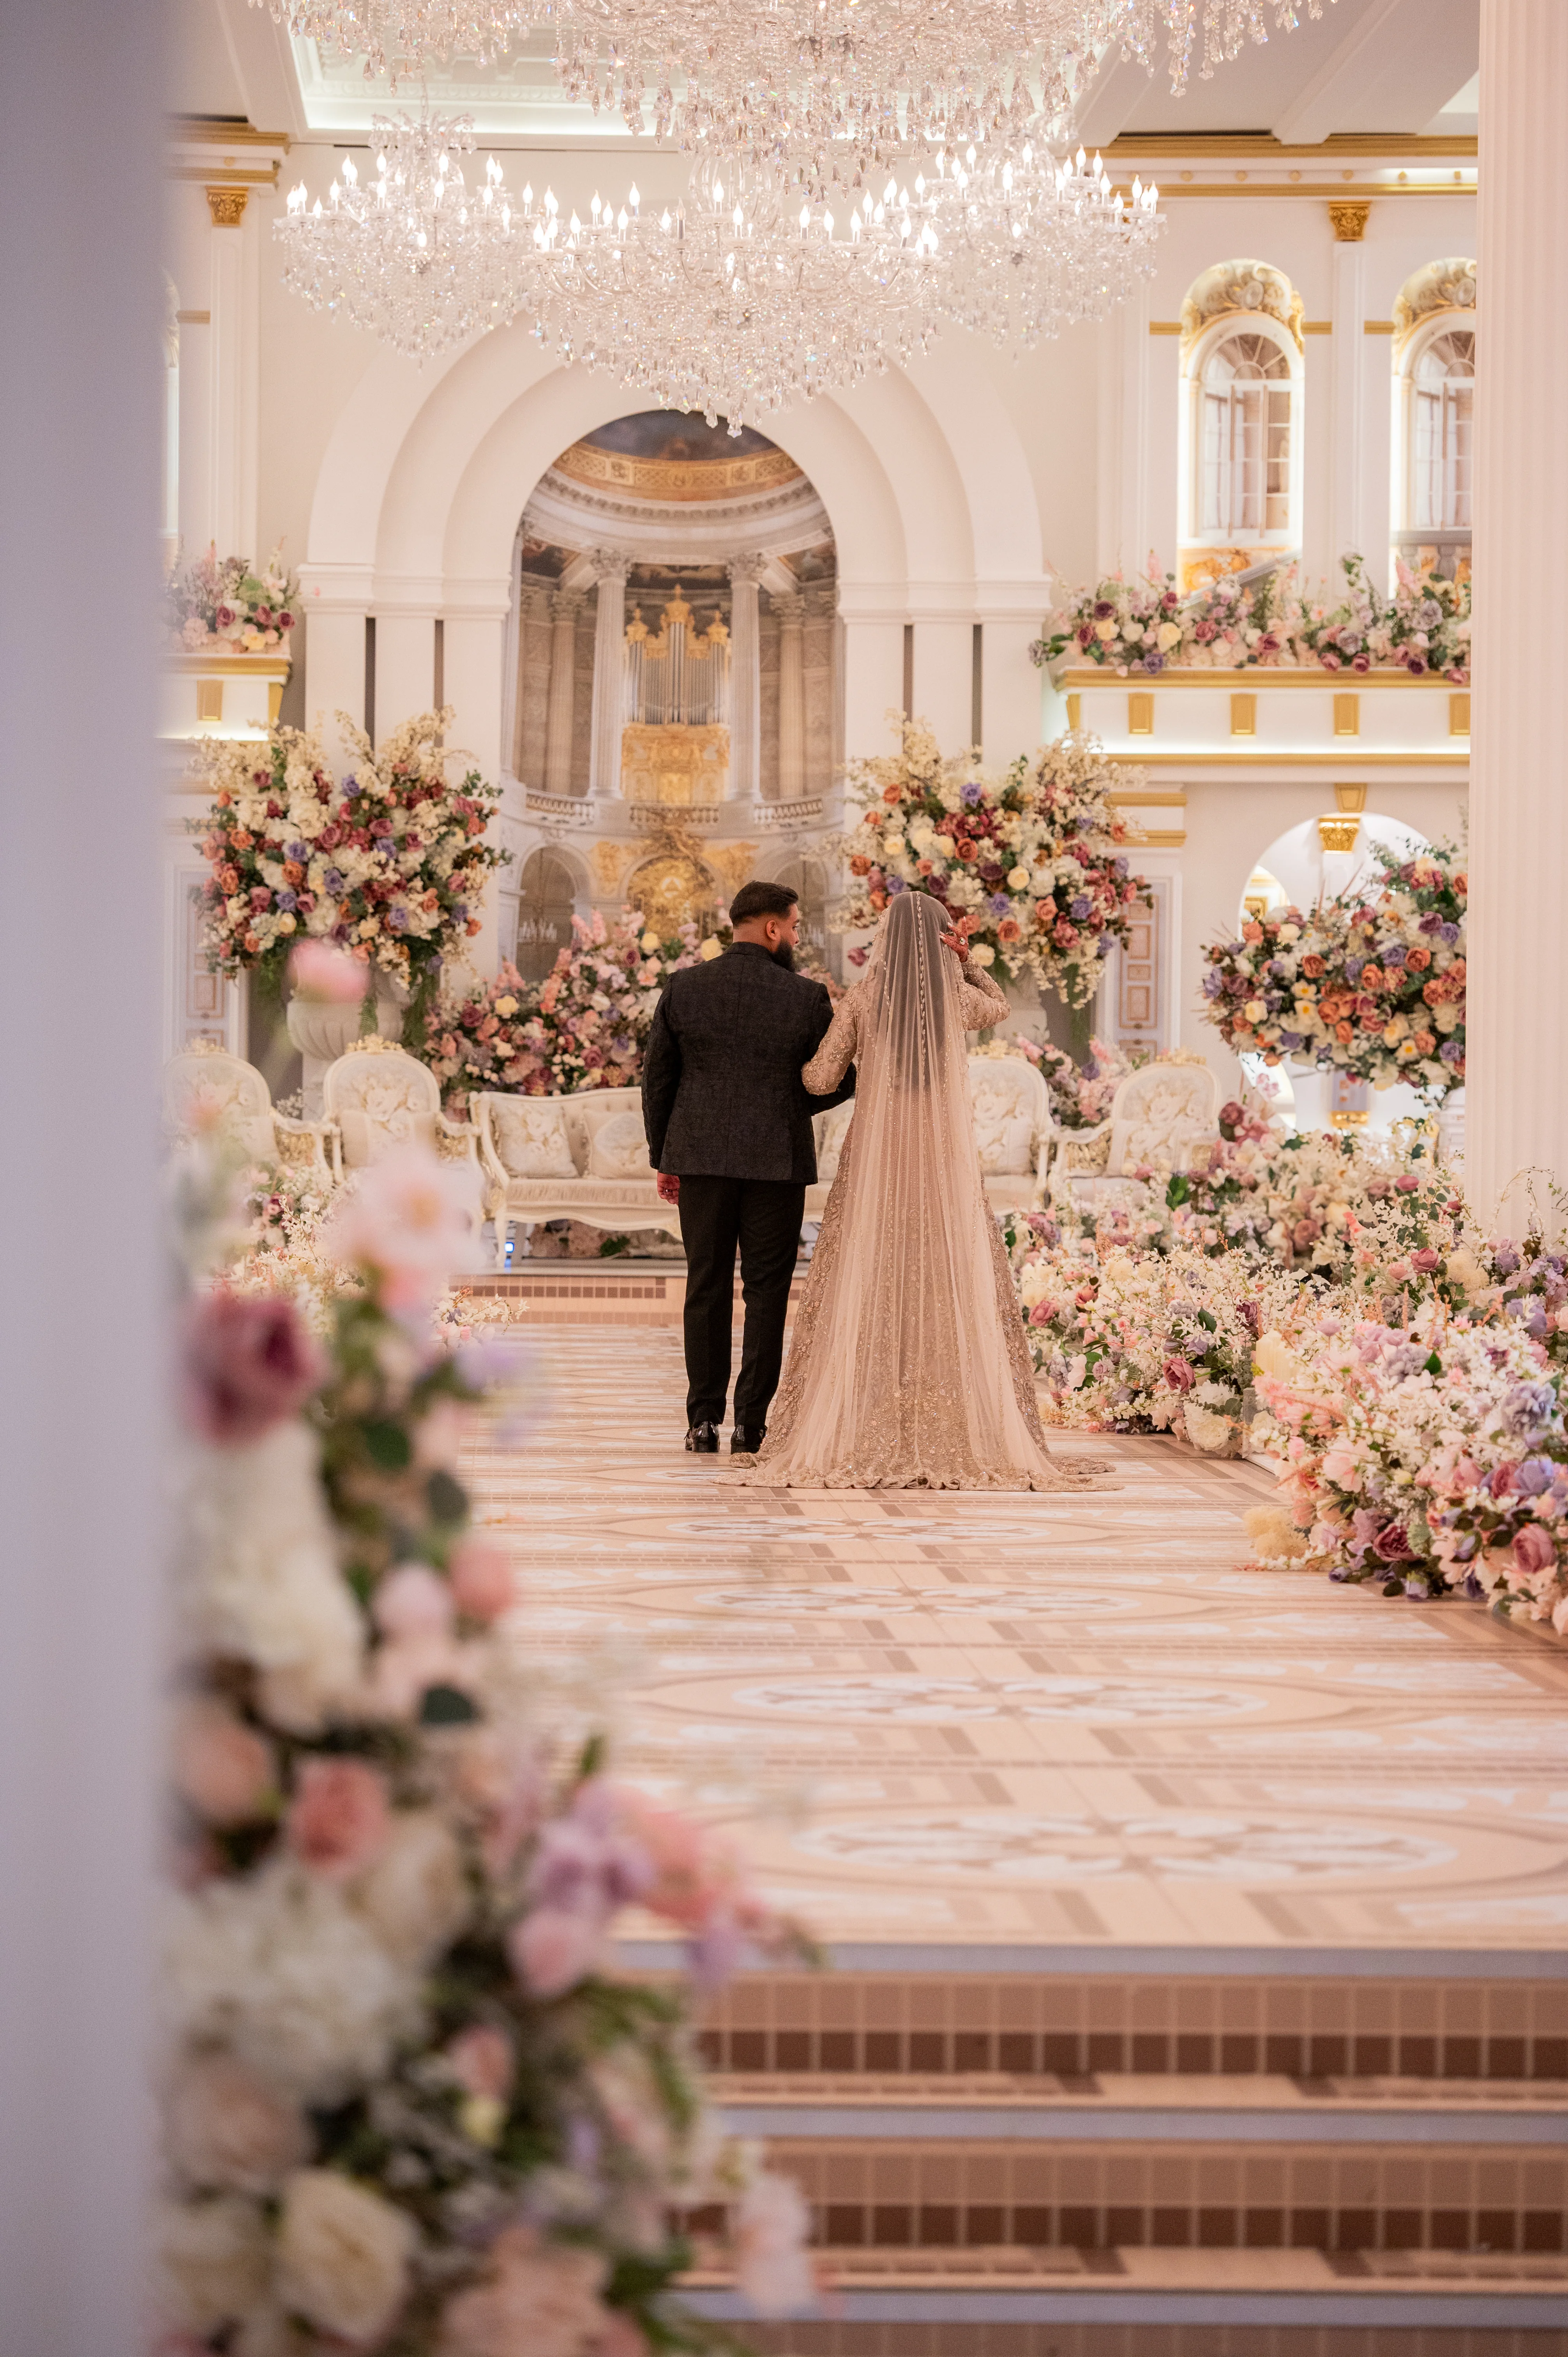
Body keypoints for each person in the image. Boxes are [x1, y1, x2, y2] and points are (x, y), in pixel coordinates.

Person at [729, 888, 1102, 1491]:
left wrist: (824, 1063)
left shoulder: (863, 998)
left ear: (885, 940)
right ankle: (949, 1410)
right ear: (936, 942)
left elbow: (820, 1076)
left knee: (870, 1271)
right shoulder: (955, 998)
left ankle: (862, 1414)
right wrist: (969, 959)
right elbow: (999, 1006)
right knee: (942, 1271)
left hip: (878, 1153)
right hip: (941, 1157)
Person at [641, 879, 855, 1455]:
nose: (796, 936)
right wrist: (787, 1106)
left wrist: (666, 1156)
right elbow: (832, 1081)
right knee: (767, 1292)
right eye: (796, 926)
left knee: (704, 1285)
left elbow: (658, 1080)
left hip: (700, 1159)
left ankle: (702, 1421)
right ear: (773, 929)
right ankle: (751, 1425)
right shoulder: (806, 997)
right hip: (777, 1163)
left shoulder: (684, 988)